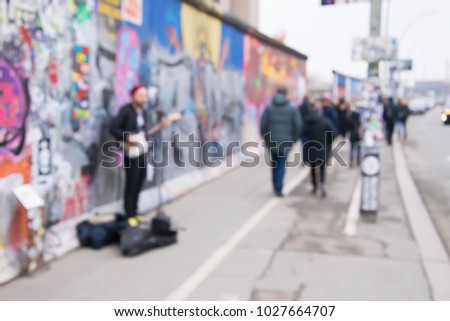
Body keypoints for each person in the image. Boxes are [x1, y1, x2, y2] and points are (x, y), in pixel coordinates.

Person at [110, 85, 170, 218]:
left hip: (142, 152)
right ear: (133, 96)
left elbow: (144, 133)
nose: (144, 99)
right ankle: (129, 214)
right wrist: (127, 137)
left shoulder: (143, 113)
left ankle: (135, 210)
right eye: (140, 95)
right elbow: (113, 128)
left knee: (139, 181)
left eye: (145, 96)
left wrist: (160, 126)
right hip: (131, 153)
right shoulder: (126, 111)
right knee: (131, 183)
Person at [261, 87, 302, 197]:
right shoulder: (292, 108)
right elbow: (298, 126)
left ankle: (275, 185)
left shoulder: (269, 108)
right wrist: (293, 140)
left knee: (274, 164)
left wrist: (266, 139)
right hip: (286, 141)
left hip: (272, 141)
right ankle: (278, 188)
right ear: (286, 94)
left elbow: (263, 126)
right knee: (281, 164)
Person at [302, 102, 338, 198]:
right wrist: (329, 142)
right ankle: (322, 183)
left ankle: (314, 186)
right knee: (322, 168)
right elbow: (334, 133)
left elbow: (303, 133)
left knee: (312, 168)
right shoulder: (326, 121)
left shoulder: (308, 122)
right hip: (323, 147)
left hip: (311, 147)